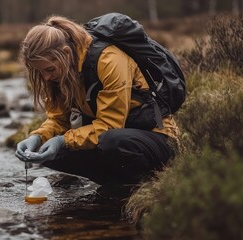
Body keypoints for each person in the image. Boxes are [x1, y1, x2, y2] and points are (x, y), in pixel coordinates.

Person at [15, 15, 180, 185]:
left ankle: (139, 184)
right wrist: (39, 138)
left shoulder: (109, 60)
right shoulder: (63, 70)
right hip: (112, 138)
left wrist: (63, 141)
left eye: (49, 69)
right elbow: (59, 120)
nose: (46, 77)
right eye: (41, 72)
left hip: (156, 137)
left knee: (112, 141)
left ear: (65, 52)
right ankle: (112, 184)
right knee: (45, 154)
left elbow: (110, 125)